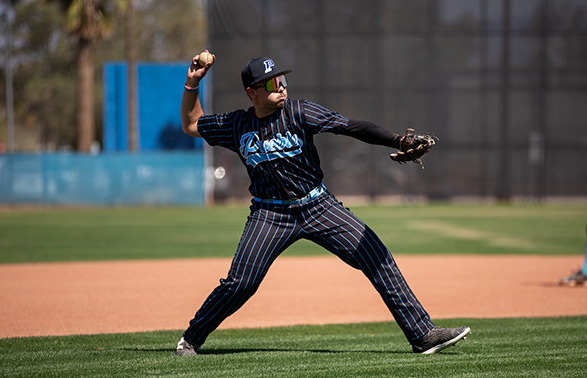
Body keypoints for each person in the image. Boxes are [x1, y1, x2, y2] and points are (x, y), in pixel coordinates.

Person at [176, 51, 471, 355]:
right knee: (241, 284)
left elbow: (351, 126)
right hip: (269, 213)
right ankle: (191, 338)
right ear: (251, 92)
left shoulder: (300, 112)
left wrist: (399, 141)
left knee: (376, 254)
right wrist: (193, 82)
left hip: (318, 205)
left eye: (281, 78)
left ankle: (422, 334)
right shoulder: (237, 124)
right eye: (269, 83)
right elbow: (192, 124)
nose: (280, 85)